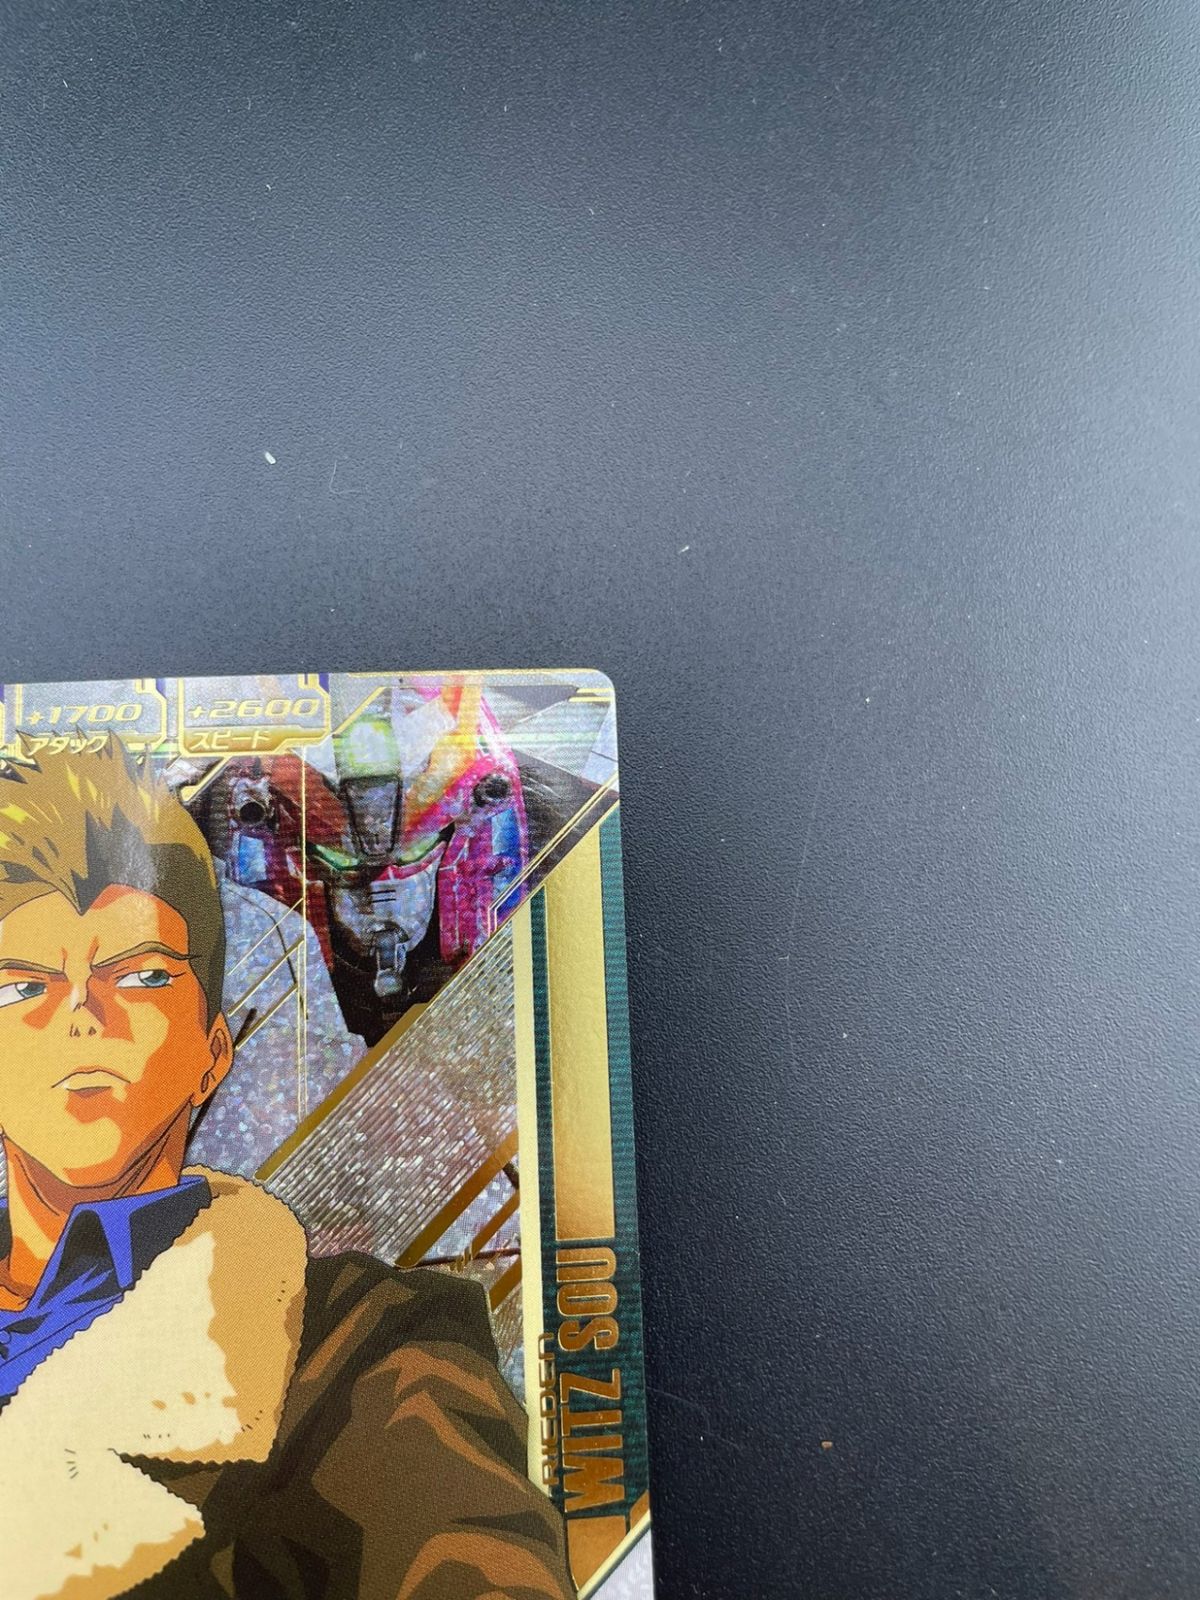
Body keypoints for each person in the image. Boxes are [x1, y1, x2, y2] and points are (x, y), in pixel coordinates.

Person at [0, 735, 573, 1600]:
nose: (83, 1016)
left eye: (141, 977)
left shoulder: (362, 1349)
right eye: (23, 987)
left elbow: (466, 1545)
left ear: (213, 1050)